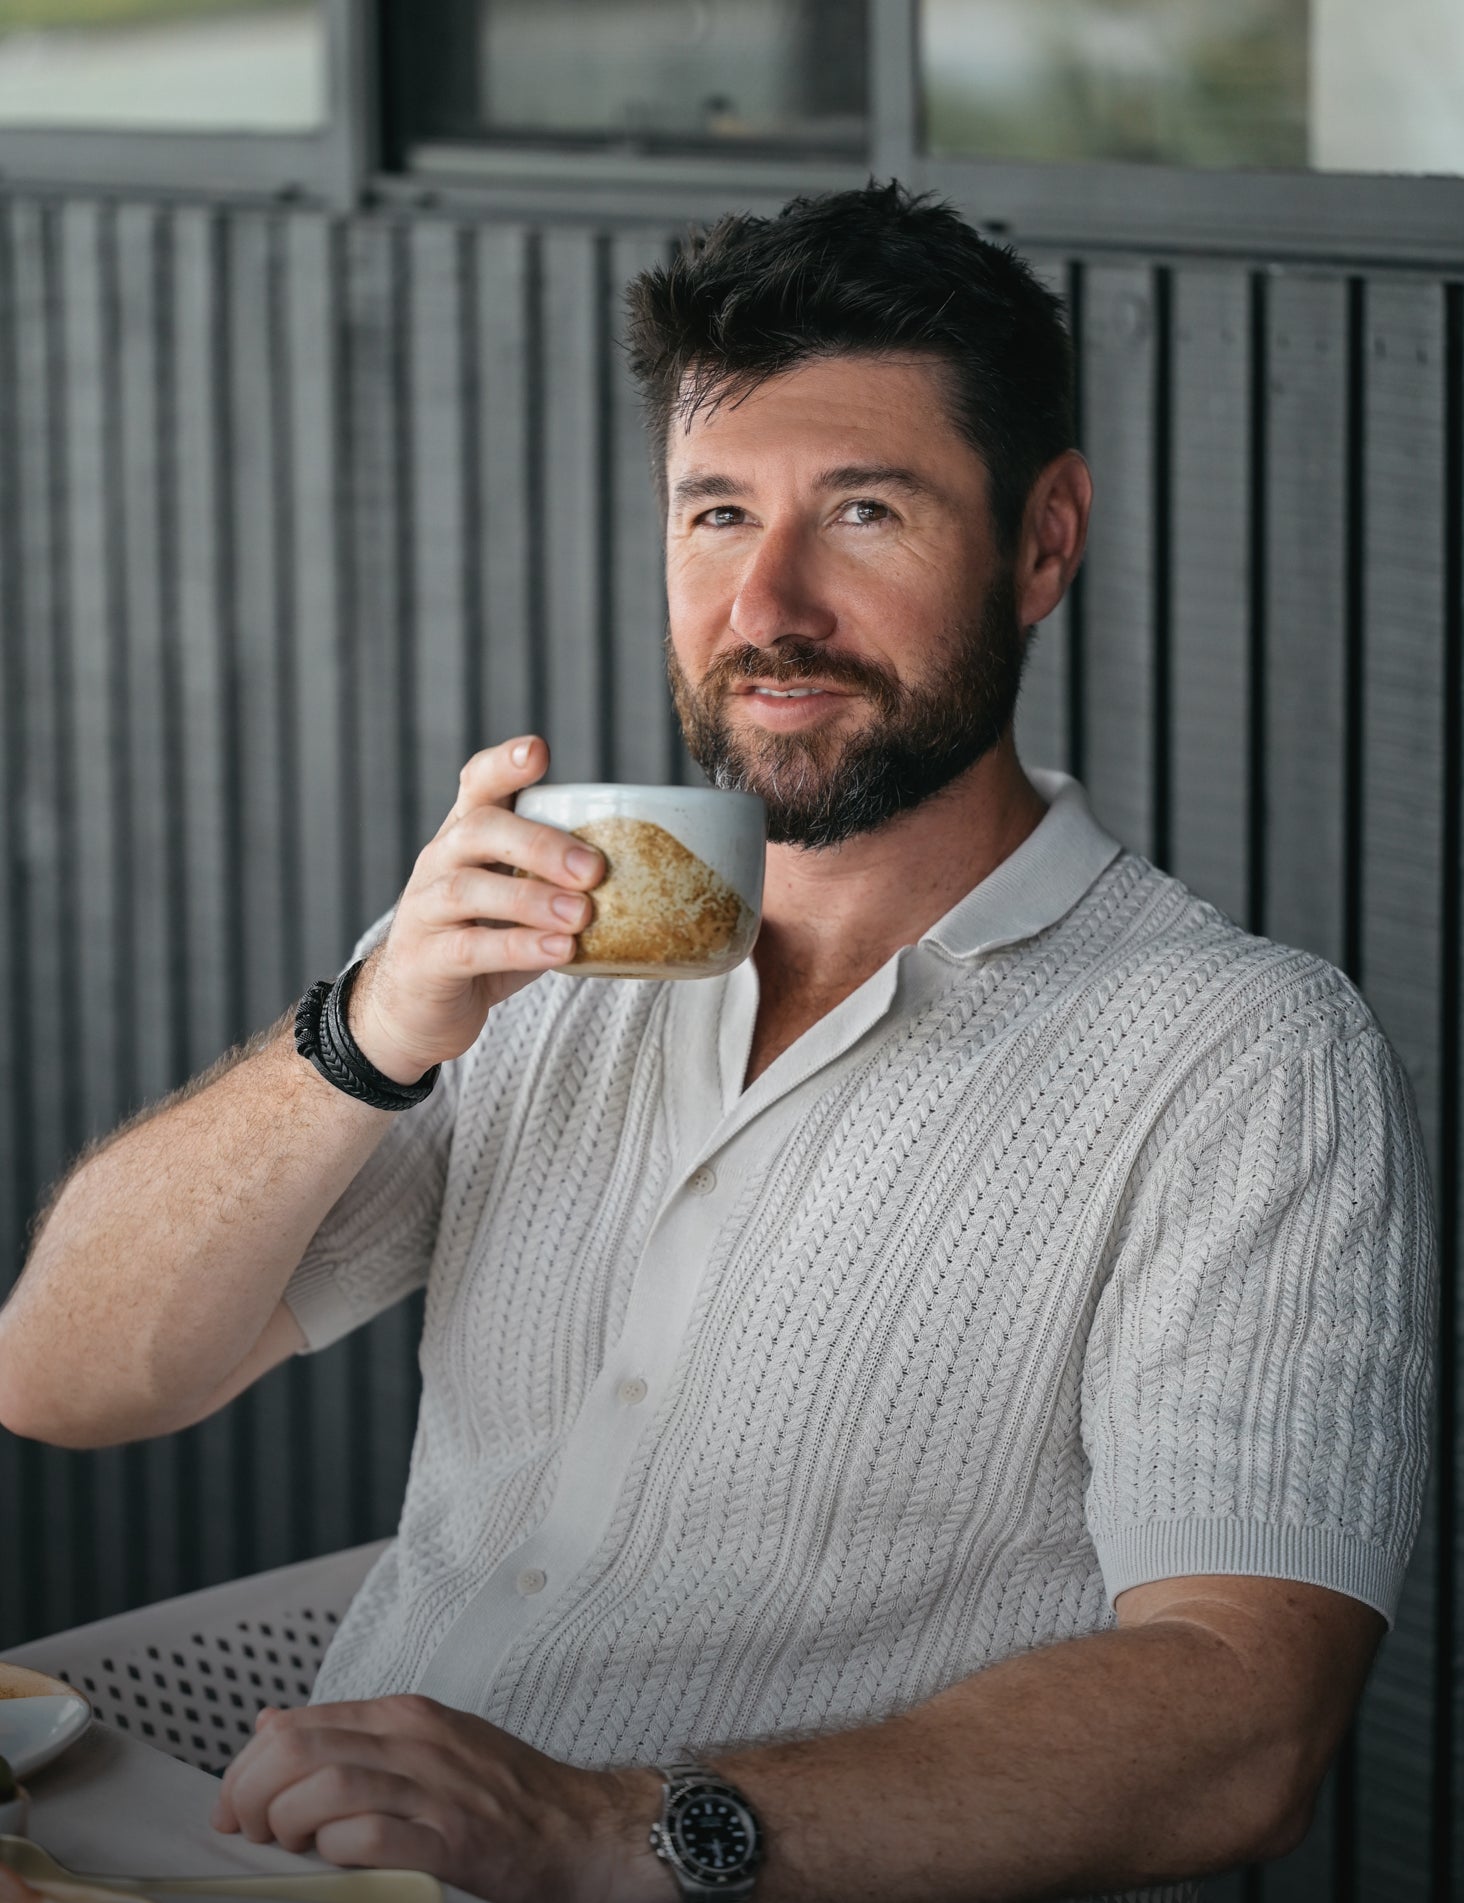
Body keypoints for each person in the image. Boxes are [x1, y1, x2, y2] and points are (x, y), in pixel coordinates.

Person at [0, 184, 1435, 1903]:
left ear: (1044, 542)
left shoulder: (1243, 1060)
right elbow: (61, 1382)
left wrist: (609, 1829)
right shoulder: (538, 943)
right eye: (715, 513)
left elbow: (1243, 1719)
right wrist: (364, 1035)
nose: (769, 602)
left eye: (865, 511)